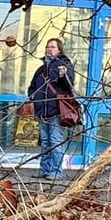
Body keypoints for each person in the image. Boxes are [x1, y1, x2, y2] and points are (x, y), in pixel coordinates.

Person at [26, 38, 75, 180]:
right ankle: (45, 170)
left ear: (59, 49)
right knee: (46, 142)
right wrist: (33, 97)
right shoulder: (41, 69)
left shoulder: (64, 65)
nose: (49, 49)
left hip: (56, 110)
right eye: (48, 47)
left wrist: (63, 75)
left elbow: (69, 86)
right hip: (42, 111)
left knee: (55, 141)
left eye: (53, 47)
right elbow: (32, 87)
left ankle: (56, 172)